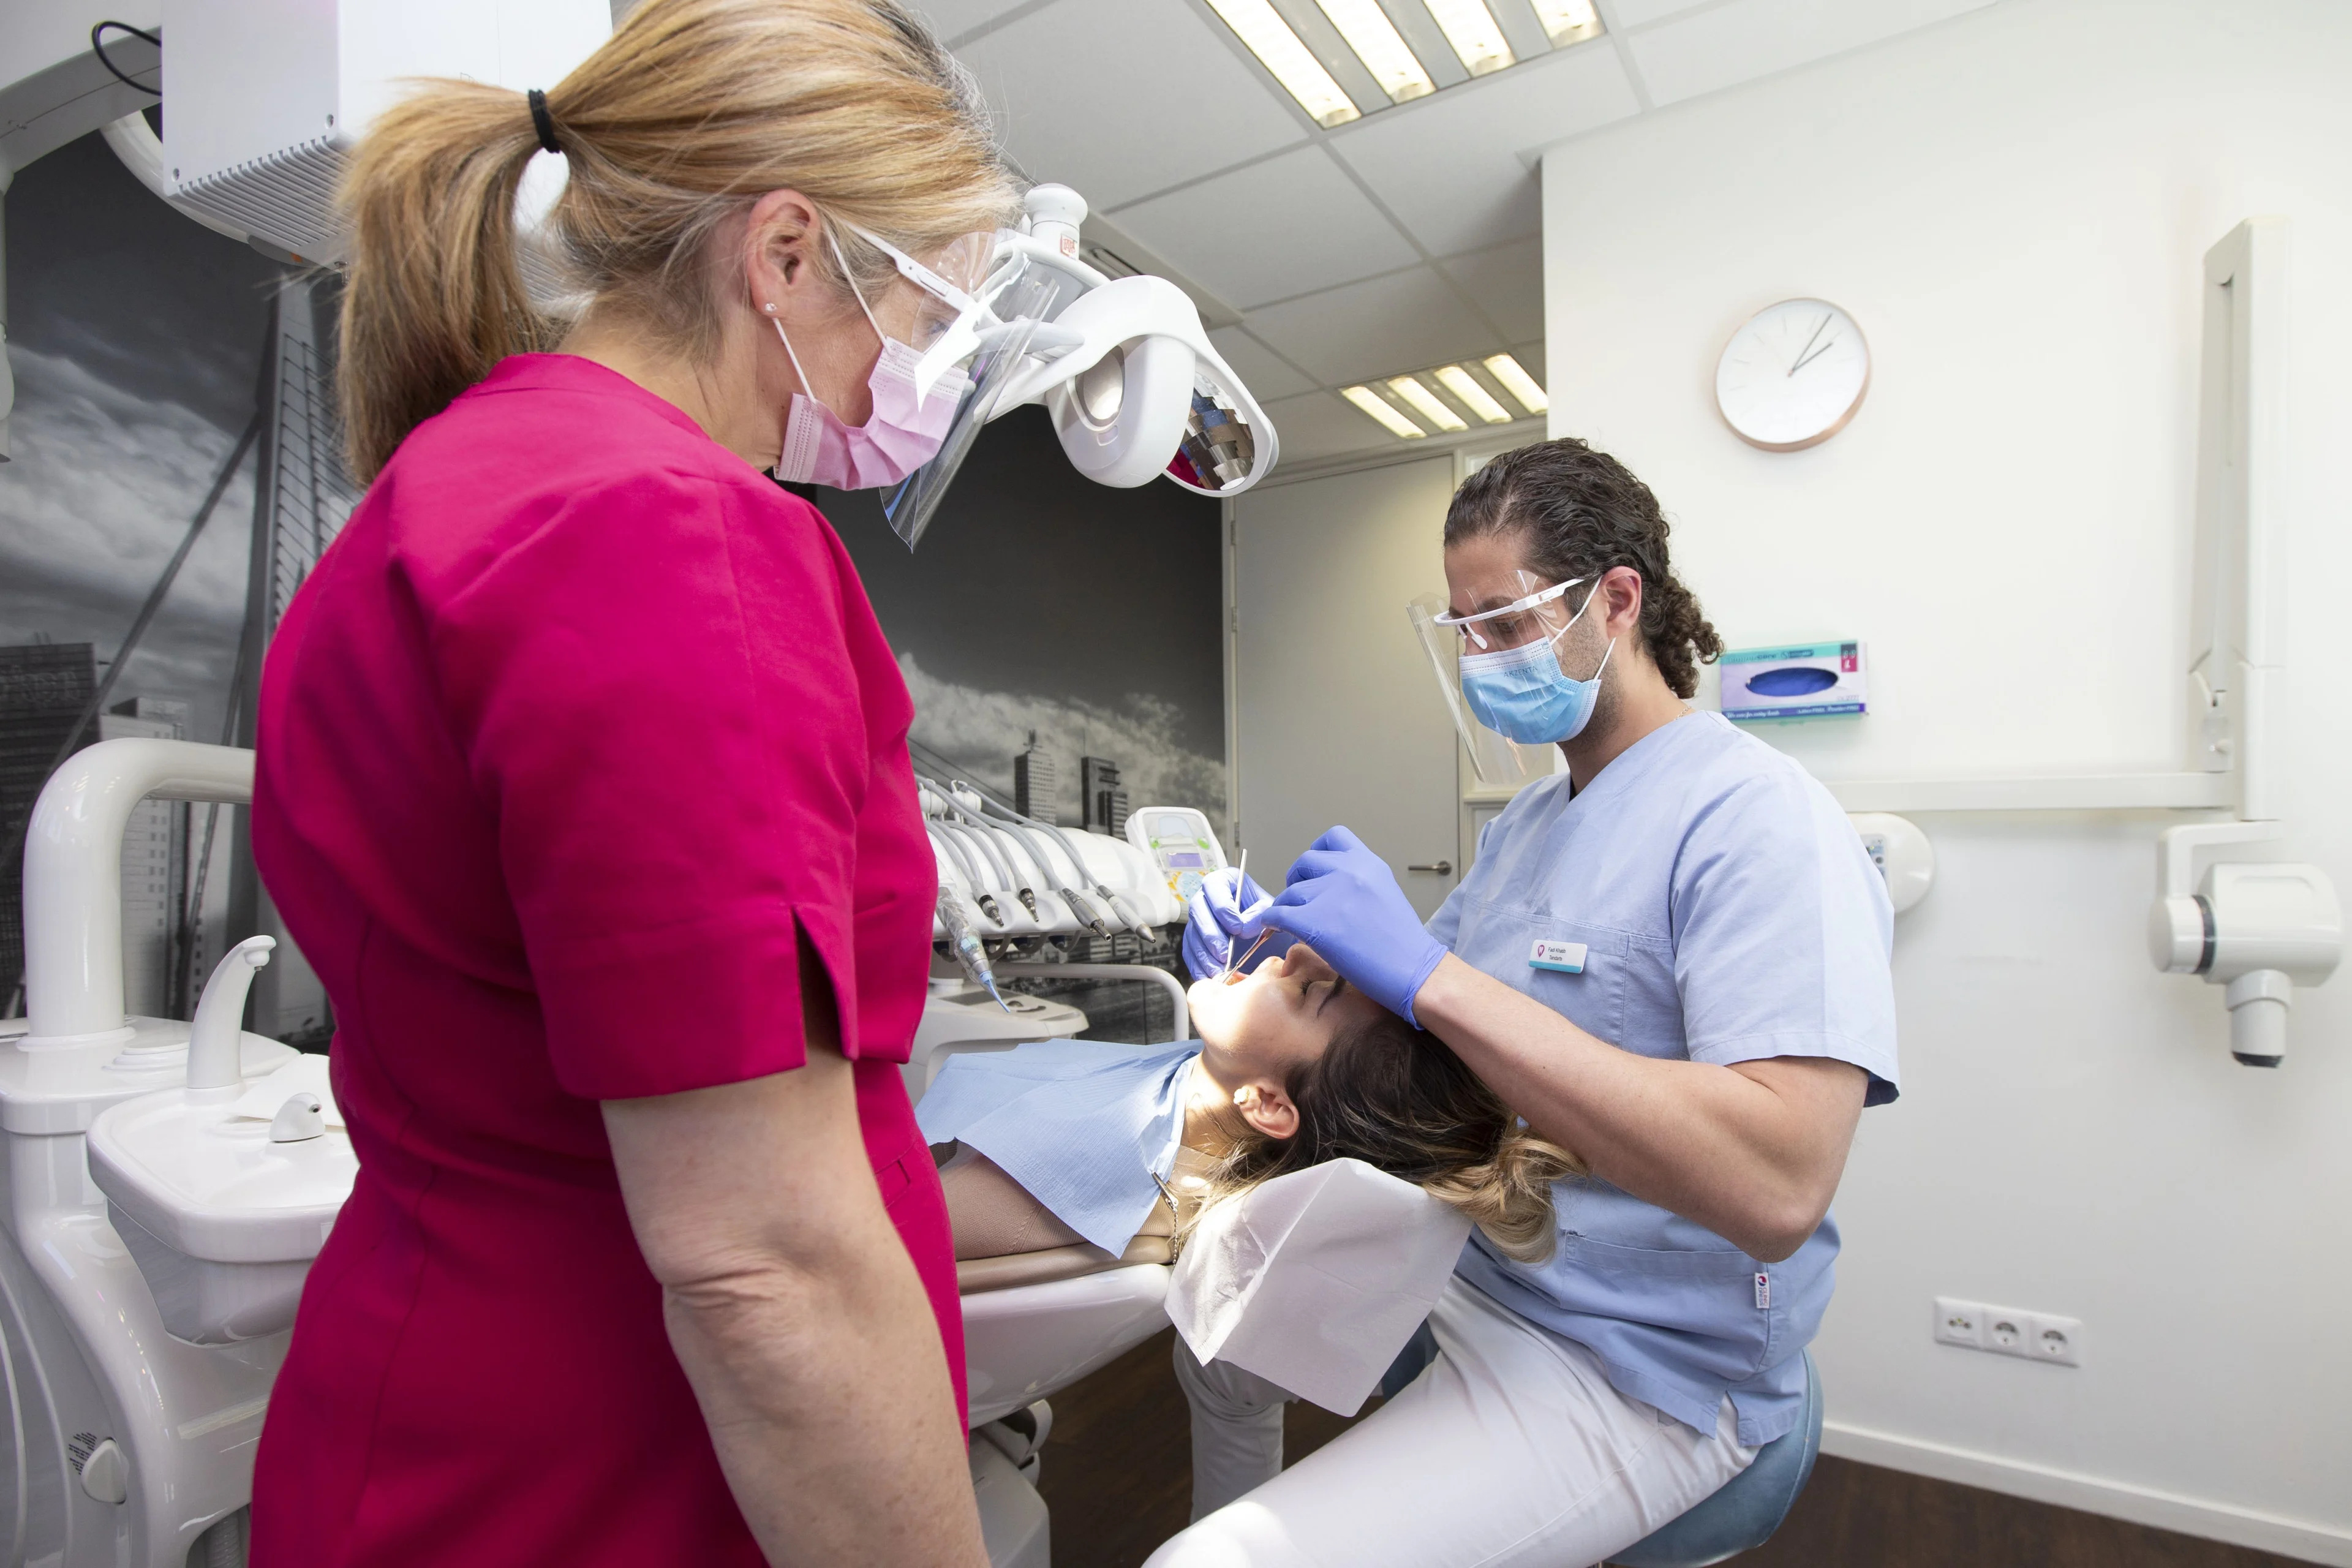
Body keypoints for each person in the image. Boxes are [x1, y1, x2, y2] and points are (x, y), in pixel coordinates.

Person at [246, 4, 1017, 1563]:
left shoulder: (461, 476)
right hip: (599, 1482)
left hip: (439, 1415)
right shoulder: (673, 535)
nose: (930, 374)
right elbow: (764, 1265)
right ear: (784, 257)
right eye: (930, 313)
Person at [1163, 437, 1899, 1567]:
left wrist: (1428, 974)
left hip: (1634, 1360)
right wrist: (1288, 937)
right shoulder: (1529, 827)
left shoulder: (1759, 823)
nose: (1485, 659)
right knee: (1211, 1345)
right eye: (1466, 633)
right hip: (1477, 1264)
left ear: (1616, 602)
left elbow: (1778, 1181)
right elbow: (1420, 1025)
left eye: (1508, 623)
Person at [924, 945, 1581, 1270]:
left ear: (1267, 1102)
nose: (1289, 953)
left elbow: (889, 1237)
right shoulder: (1208, 1137)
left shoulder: (1087, 1164)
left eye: (1309, 991)